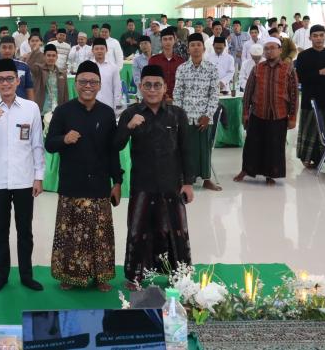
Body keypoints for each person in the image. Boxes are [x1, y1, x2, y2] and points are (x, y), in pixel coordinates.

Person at [45, 60, 122, 291]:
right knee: (70, 234)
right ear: (76, 83)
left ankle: (101, 276)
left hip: (99, 184)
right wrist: (63, 139)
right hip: (72, 184)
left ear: (99, 85)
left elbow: (113, 152)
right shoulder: (63, 111)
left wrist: (117, 181)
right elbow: (50, 144)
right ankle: (69, 275)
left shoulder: (107, 114)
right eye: (83, 81)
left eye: (93, 82)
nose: (88, 85)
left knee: (100, 234)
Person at [0, 59, 45, 292]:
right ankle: (1, 275)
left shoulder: (31, 108)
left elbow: (37, 145)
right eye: (0, 79)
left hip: (24, 179)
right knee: (0, 231)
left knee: (25, 231)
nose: (5, 83)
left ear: (18, 80)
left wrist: (39, 176)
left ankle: (26, 275)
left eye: (9, 79)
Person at [116, 64, 193, 288]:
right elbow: (116, 144)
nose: (152, 90)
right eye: (147, 85)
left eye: (156, 85)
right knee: (139, 230)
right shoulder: (131, 113)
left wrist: (188, 182)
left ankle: (179, 275)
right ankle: (135, 276)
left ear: (165, 87)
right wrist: (128, 127)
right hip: (143, 184)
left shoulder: (177, 114)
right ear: (140, 87)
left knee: (175, 230)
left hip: (172, 184)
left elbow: (186, 150)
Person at [235, 38, 298, 186]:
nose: (269, 51)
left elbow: (294, 94)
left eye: (273, 48)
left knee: (274, 147)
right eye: (267, 48)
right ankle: (246, 170)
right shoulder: (257, 68)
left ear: (280, 50)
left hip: (279, 114)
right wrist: (245, 113)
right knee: (252, 145)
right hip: (258, 113)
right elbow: (248, 92)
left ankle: (271, 175)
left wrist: (293, 116)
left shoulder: (288, 69)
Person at [173, 33, 221, 191]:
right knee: (186, 149)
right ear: (188, 49)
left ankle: (207, 179)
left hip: (204, 118)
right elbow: (177, 93)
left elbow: (214, 94)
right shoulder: (181, 69)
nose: (195, 48)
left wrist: (208, 115)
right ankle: (187, 179)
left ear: (203, 48)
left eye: (198, 45)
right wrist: (179, 117)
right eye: (192, 45)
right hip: (185, 117)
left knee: (204, 149)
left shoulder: (211, 69)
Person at [294, 25, 325, 169]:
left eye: (321, 35)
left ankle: (324, 158)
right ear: (310, 38)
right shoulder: (303, 56)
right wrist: (320, 72)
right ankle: (306, 158)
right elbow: (301, 78)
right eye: (315, 35)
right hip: (310, 99)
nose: (318, 38)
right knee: (309, 130)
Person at [0, 36, 35, 101]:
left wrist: (31, 106)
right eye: (4, 47)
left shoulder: (24, 66)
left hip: (21, 107)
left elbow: (29, 88)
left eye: (10, 47)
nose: (7, 50)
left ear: (15, 49)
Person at [29, 43, 69, 116]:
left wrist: (66, 111)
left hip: (57, 111)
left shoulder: (62, 74)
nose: (51, 58)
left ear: (57, 57)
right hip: (42, 111)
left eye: (53, 56)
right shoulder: (39, 70)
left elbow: (65, 95)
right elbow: (30, 65)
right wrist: (34, 51)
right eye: (48, 55)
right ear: (44, 56)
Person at [148, 27, 185, 102]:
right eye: (165, 39)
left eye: (170, 39)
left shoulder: (181, 61)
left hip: (177, 100)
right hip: (157, 100)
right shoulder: (153, 60)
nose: (168, 42)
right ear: (161, 41)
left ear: (174, 40)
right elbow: (151, 81)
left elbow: (184, 84)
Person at [91, 38, 121, 113]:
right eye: (96, 49)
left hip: (108, 107)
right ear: (92, 50)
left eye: (102, 48)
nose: (99, 51)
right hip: (91, 107)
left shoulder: (113, 67)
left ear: (106, 50)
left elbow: (117, 90)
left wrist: (117, 110)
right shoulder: (88, 66)